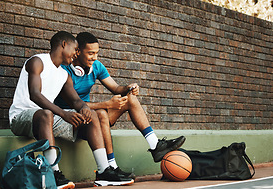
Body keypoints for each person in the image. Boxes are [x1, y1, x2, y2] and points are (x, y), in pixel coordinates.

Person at [9, 31, 134, 189]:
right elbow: (35, 95)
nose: (76, 54)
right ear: (63, 45)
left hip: (48, 120)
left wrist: (83, 109)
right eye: (75, 49)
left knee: (92, 116)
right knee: (46, 114)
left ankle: (104, 172)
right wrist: (62, 113)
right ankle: (53, 172)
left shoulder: (63, 74)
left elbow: (75, 100)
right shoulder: (38, 62)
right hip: (22, 118)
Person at [54, 32, 186, 177]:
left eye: (97, 53)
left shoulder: (96, 66)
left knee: (130, 99)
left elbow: (116, 88)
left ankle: (155, 145)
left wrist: (128, 88)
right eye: (91, 53)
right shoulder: (63, 70)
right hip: (73, 119)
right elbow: (75, 103)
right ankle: (111, 166)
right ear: (77, 52)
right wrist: (107, 104)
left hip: (92, 119)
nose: (95, 57)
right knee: (102, 113)